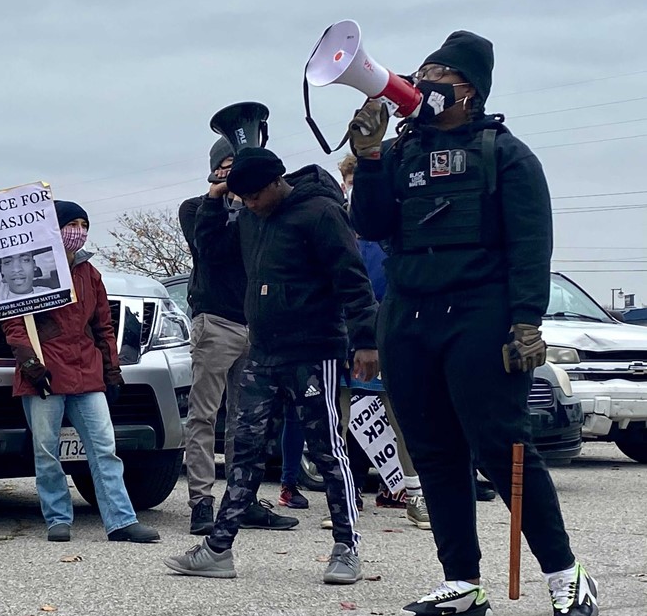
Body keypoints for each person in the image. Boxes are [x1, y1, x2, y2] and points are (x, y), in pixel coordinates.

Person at [348, 31, 597, 616]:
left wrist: (526, 322)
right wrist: (371, 157)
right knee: (434, 452)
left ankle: (565, 574)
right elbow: (371, 223)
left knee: (501, 447)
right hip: (408, 315)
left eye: (440, 73)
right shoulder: (404, 151)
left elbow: (532, 246)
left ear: (469, 89)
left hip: (480, 316)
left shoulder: (506, 154)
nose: (423, 80)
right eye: (423, 69)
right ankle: (462, 580)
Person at [165, 147, 379, 584]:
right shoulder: (249, 218)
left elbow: (351, 277)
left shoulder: (320, 213)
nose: (249, 205)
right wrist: (212, 198)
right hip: (263, 351)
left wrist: (366, 341)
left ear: (275, 183)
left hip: (313, 349)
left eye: (254, 197)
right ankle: (218, 549)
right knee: (243, 448)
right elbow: (209, 249)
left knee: (326, 450)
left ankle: (347, 548)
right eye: (241, 198)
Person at [3, 200, 160, 544]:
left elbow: (103, 325)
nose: (78, 231)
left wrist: (112, 371)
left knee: (104, 447)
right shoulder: (28, 269)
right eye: (70, 223)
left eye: (82, 224)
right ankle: (57, 517)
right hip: (44, 374)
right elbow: (14, 324)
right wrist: (30, 363)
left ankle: (120, 520)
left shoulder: (90, 273)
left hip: (87, 372)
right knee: (46, 450)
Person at [177, 138, 302, 535]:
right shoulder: (196, 207)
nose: (233, 173)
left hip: (254, 322)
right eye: (227, 165)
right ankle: (201, 500)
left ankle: (242, 499)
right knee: (204, 414)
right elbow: (212, 250)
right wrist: (223, 198)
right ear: (214, 169)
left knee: (248, 420)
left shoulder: (258, 210)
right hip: (215, 321)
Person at [339, 153, 431, 530]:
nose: (354, 188)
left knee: (400, 414)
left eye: (360, 182)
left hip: (387, 329)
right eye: (349, 181)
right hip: (343, 332)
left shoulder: (389, 224)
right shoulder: (336, 224)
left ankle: (415, 495)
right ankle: (342, 499)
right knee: (337, 416)